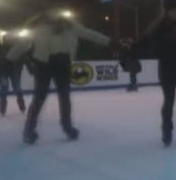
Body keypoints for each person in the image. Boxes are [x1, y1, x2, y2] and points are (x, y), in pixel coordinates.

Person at [8, 10, 113, 144]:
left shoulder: (71, 26)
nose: (54, 18)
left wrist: (108, 41)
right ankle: (29, 129)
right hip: (43, 65)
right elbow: (22, 44)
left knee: (64, 97)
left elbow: (90, 34)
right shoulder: (39, 27)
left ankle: (67, 126)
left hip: (63, 65)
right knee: (40, 98)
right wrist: (9, 58)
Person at [140, 1, 176, 145]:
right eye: (172, 11)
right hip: (167, 68)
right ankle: (166, 128)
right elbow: (146, 39)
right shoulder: (160, 28)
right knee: (169, 100)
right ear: (168, 12)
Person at [0, 34, 29, 115]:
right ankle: (2, 108)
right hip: (3, 72)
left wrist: (31, 68)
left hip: (14, 72)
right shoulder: (0, 49)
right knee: (4, 89)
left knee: (16, 88)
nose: (9, 41)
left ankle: (22, 106)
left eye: (10, 39)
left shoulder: (18, 48)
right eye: (7, 39)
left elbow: (25, 59)